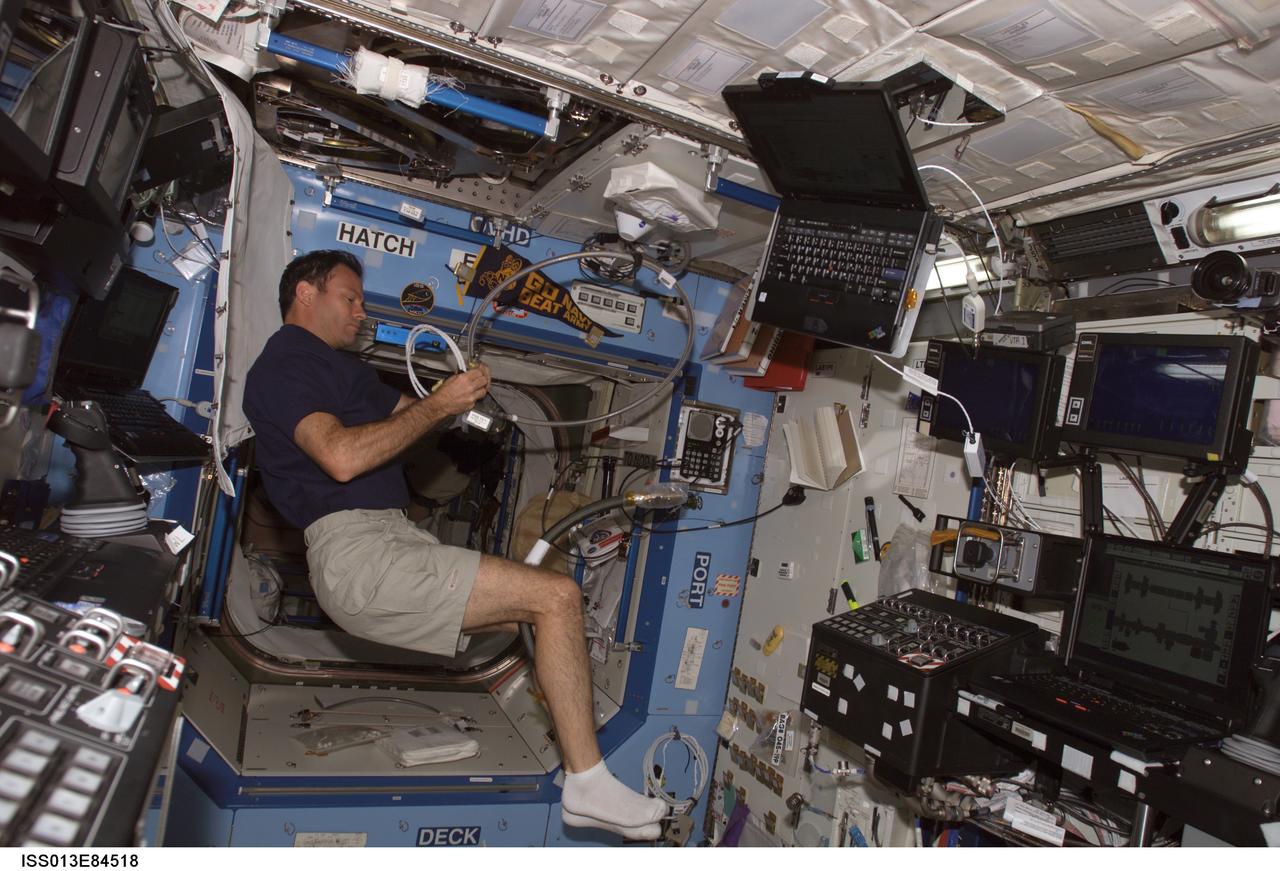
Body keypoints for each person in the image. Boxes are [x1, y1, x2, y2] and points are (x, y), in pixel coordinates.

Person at [243, 250, 667, 839]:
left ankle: (580, 761)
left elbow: (412, 416)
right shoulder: (287, 363)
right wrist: (441, 403)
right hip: (359, 553)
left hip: (385, 539)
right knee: (556, 597)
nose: (361, 312)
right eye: (350, 297)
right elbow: (340, 457)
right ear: (306, 294)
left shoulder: (337, 372)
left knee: (549, 610)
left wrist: (467, 406)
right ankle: (587, 783)